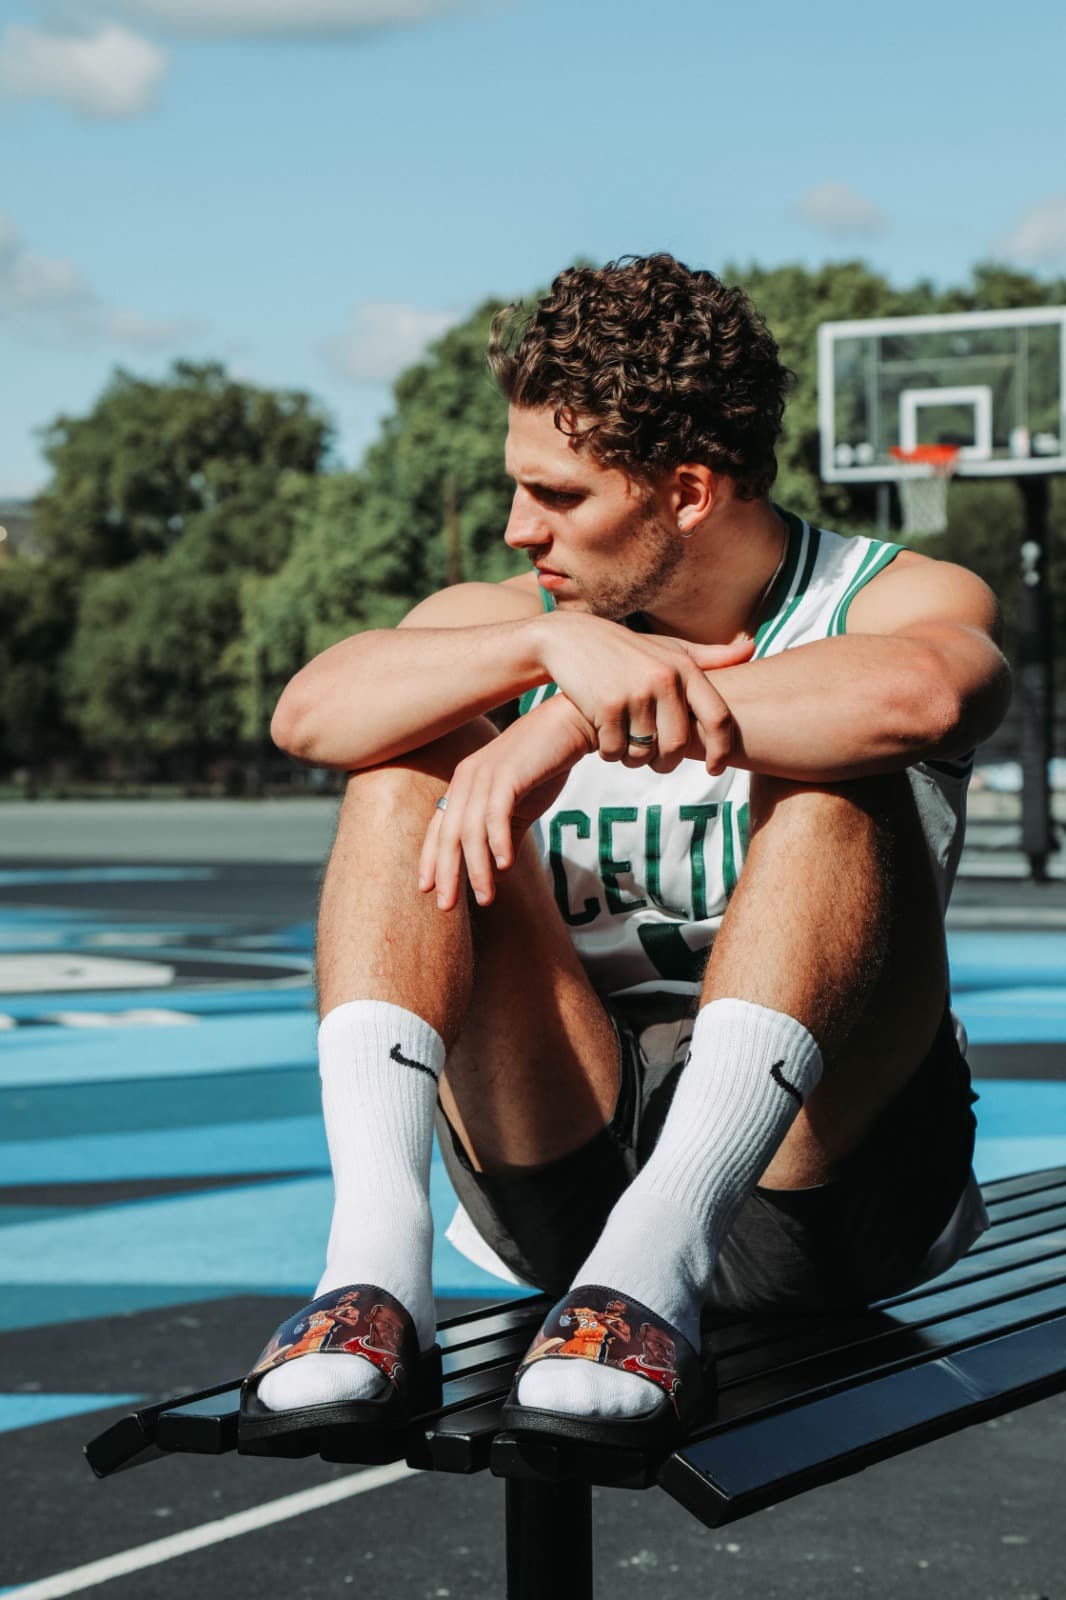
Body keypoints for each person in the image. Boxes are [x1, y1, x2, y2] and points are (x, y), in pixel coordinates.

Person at [238, 253, 1010, 1454]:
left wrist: (565, 717)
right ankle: (372, 1273)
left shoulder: (888, 597)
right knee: (400, 766)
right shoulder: (519, 614)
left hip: (821, 1179)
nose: (517, 526)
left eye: (558, 497)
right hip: (569, 1137)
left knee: (835, 787)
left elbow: (924, 694)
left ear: (687, 491)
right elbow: (311, 713)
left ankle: (656, 1265)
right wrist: (550, 651)